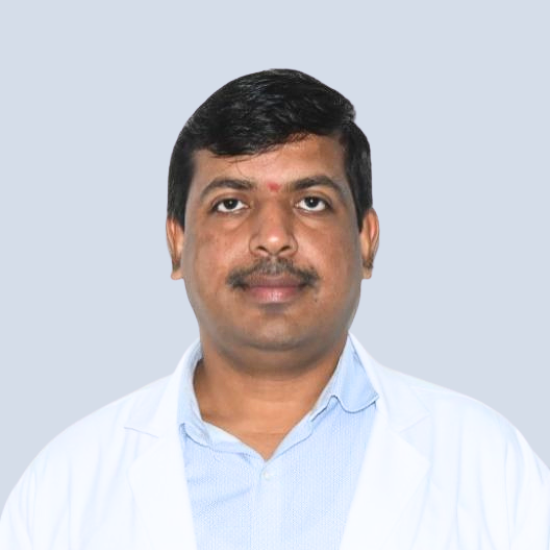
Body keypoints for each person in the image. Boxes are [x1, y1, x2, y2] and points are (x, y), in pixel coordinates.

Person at [1, 69, 549, 550]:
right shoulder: (63, 490)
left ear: (366, 240)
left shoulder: (492, 470)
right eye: (230, 203)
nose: (272, 237)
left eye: (311, 202)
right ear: (177, 243)